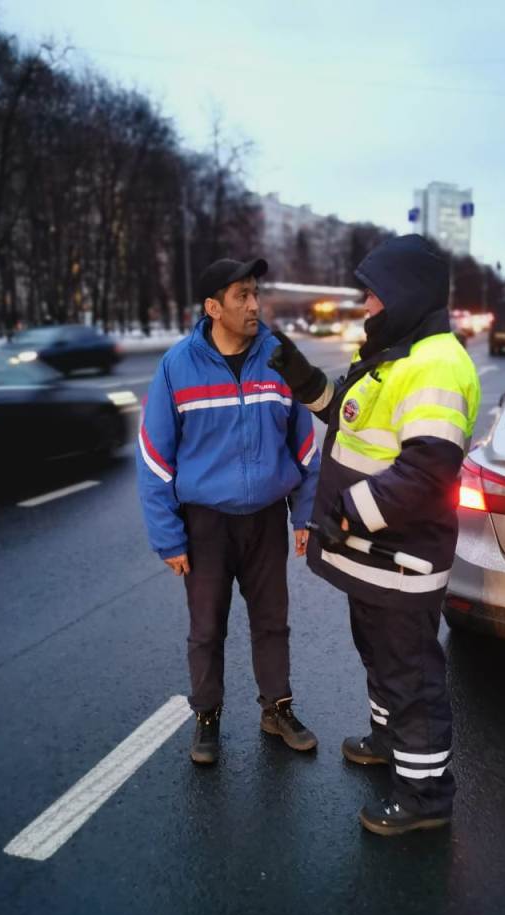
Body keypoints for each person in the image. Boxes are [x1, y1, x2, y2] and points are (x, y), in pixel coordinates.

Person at [269, 234, 481, 836]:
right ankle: (389, 742)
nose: (365, 305)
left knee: (410, 676)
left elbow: (425, 471)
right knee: (382, 658)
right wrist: (301, 375)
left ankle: (423, 797)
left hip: (399, 558)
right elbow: (350, 415)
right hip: (374, 559)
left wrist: (344, 514)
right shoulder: (399, 353)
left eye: (373, 295)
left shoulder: (436, 363)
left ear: (405, 295)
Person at [137, 257, 320, 764]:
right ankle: (207, 717)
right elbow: (154, 458)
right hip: (206, 525)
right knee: (206, 627)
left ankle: (276, 708)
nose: (254, 304)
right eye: (241, 295)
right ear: (213, 307)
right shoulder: (178, 366)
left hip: (265, 518)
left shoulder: (278, 357)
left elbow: (304, 444)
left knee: (272, 621)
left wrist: (304, 515)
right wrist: (168, 538)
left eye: (255, 293)